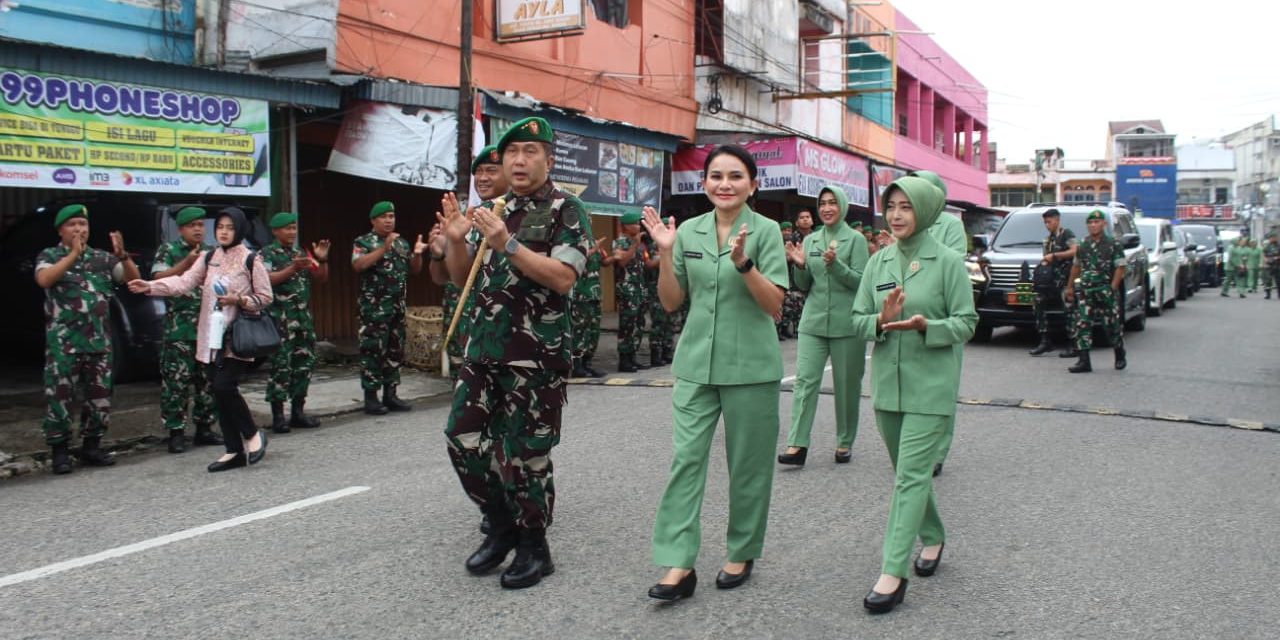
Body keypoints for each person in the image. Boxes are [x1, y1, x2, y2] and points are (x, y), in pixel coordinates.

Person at [438, 116, 591, 589]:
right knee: (460, 439)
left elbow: (564, 277)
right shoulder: (496, 206)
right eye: (511, 153)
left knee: (526, 457)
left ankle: (533, 547)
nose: (519, 160)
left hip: (535, 354)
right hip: (483, 348)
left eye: (529, 151)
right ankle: (501, 523)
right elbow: (462, 277)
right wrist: (456, 241)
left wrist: (507, 242)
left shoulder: (568, 209)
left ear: (548, 158)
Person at [641, 144, 788, 601]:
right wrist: (666, 253)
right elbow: (670, 301)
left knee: (747, 467)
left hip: (752, 369)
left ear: (753, 184)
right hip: (696, 367)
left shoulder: (764, 232)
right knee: (686, 461)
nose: (725, 184)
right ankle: (679, 563)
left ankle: (741, 550)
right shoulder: (687, 231)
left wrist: (743, 263)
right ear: (704, 183)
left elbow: (775, 306)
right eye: (716, 176)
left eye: (736, 176)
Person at [850, 176, 976, 614]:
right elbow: (857, 318)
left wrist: (929, 327)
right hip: (888, 387)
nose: (897, 215)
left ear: (923, 210)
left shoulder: (946, 262)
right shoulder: (878, 262)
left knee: (908, 478)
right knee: (910, 474)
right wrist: (879, 322)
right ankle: (935, 536)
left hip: (931, 386)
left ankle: (892, 571)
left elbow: (966, 321)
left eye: (906, 206)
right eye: (892, 207)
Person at [130, 207, 274, 472]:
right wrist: (149, 287)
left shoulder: (251, 260)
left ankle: (253, 434)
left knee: (223, 386)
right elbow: (183, 283)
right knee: (218, 393)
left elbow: (265, 298)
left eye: (230, 227)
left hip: (236, 335)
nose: (223, 232)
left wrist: (239, 300)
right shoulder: (209, 258)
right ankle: (233, 452)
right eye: (220, 227)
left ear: (239, 230)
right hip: (210, 336)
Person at [36, 204, 140, 474]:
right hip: (65, 345)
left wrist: (123, 256)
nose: (79, 229)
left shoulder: (102, 259)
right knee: (60, 399)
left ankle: (92, 446)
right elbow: (45, 280)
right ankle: (60, 452)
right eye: (73, 225)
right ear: (61, 229)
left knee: (100, 398)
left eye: (83, 224)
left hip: (99, 343)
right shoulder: (50, 255)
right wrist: (72, 254)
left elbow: (133, 280)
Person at [778, 185, 869, 467]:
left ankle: (844, 442)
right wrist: (800, 265)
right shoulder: (812, 240)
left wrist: (837, 266)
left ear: (842, 206)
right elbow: (804, 285)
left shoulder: (855, 241)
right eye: (823, 203)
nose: (827, 208)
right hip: (814, 322)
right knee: (805, 382)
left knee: (846, 386)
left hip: (847, 325)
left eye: (832, 203)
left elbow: (862, 282)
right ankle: (797, 444)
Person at [910, 169, 970, 478]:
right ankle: (914, 445)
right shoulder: (907, 226)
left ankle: (938, 451)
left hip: (943, 315)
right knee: (912, 386)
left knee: (942, 388)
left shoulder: (950, 225)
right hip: (910, 318)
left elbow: (955, 262)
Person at [151, 206, 222, 454]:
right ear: (181, 229)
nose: (198, 229)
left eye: (201, 225)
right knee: (176, 384)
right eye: (192, 225)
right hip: (179, 330)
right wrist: (186, 263)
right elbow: (159, 279)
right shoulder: (169, 250)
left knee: (207, 382)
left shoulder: (213, 254)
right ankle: (176, 432)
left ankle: (205, 428)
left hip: (208, 330)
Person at [433, 145, 507, 377]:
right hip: (477, 333)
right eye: (479, 172)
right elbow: (457, 279)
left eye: (491, 171)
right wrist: (452, 243)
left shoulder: (528, 214)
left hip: (515, 335)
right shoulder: (473, 217)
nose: (482, 178)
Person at [352, 201, 427, 414]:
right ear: (373, 220)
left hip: (396, 308)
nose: (389, 220)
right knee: (372, 351)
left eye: (391, 216)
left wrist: (418, 254)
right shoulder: (363, 241)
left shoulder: (401, 243)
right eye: (384, 216)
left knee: (395, 350)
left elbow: (414, 270)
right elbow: (358, 265)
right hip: (373, 310)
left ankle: (391, 394)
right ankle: (371, 397)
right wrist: (383, 248)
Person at [261, 212, 329, 433]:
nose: (292, 232)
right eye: (287, 228)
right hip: (281, 320)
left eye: (293, 228)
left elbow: (320, 278)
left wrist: (321, 259)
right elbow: (267, 280)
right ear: (275, 231)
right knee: (281, 367)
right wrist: (293, 268)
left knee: (304, 365)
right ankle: (278, 416)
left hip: (303, 320)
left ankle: (298, 412)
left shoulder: (300, 252)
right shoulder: (267, 253)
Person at [1065, 210, 1127, 373]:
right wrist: (1070, 287)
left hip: (1105, 290)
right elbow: (1076, 266)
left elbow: (1120, 267)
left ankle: (1119, 353)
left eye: (1097, 222)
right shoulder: (1083, 244)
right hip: (1087, 290)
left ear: (1103, 224)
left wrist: (1112, 287)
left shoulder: (1113, 244)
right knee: (1082, 324)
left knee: (1111, 325)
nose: (1093, 225)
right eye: (1090, 223)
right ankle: (1084, 361)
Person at [1028, 209, 1077, 356]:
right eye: (1045, 222)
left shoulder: (1066, 234)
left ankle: (1074, 344)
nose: (1047, 225)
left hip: (1065, 280)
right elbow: (1046, 258)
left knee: (1069, 310)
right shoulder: (1048, 240)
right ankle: (1045, 341)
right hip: (1050, 282)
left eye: (1049, 221)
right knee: (1038, 302)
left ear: (1057, 220)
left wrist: (1055, 255)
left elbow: (1075, 251)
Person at [611, 211, 650, 372]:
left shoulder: (640, 243)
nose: (637, 226)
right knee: (627, 325)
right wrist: (634, 245)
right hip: (627, 289)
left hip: (639, 288)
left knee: (639, 324)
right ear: (626, 226)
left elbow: (645, 265)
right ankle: (624, 360)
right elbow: (622, 263)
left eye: (638, 223)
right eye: (634, 223)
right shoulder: (620, 242)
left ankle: (633, 356)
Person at [571, 235, 608, 378]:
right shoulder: (573, 241)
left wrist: (616, 257)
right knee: (580, 330)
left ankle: (588, 363)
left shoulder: (593, 241)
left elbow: (604, 262)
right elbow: (572, 261)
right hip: (581, 293)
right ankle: (576, 365)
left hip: (594, 293)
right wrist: (592, 250)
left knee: (593, 330)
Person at [643, 229, 674, 366]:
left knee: (669, 322)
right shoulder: (652, 247)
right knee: (658, 322)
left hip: (671, 287)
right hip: (656, 288)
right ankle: (655, 354)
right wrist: (665, 255)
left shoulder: (675, 246)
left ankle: (667, 351)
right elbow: (649, 264)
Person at [1263, 234, 1280, 299]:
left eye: (1274, 237)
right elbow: (1264, 254)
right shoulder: (1267, 246)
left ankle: (1279, 294)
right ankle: (1268, 294)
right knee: (1268, 280)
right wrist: (1265, 260)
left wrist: (1276, 258)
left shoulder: (1278, 246)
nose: (1273, 239)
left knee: (1278, 281)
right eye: (1271, 238)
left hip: (1278, 265)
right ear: (1269, 238)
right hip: (1269, 265)